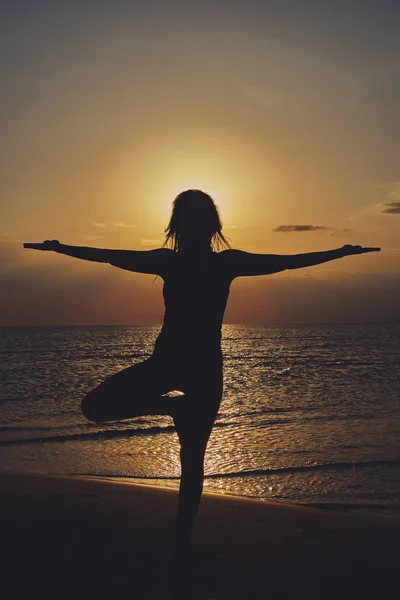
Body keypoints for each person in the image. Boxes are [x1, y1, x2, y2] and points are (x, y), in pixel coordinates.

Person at [24, 189, 380, 589]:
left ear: (210, 226)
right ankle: (172, 411)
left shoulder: (224, 263)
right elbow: (109, 254)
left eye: (198, 219)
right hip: (168, 366)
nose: (193, 227)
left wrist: (339, 253)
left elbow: (285, 263)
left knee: (193, 464)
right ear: (181, 226)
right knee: (95, 407)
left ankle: (182, 543)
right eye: (188, 220)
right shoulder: (167, 261)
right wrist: (61, 249)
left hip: (202, 372)